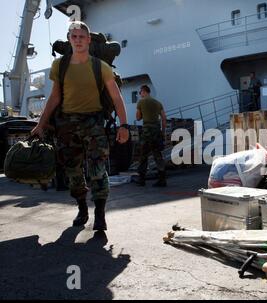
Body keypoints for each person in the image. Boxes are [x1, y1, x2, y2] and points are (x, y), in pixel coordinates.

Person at [31, 21, 129, 231]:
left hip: (93, 122)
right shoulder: (60, 65)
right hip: (67, 124)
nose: (77, 40)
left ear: (88, 40)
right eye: (73, 37)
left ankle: (100, 215)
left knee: (97, 169)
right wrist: (41, 124)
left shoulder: (99, 66)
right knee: (72, 171)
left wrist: (124, 125)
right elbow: (55, 97)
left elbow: (117, 97)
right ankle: (83, 208)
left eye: (81, 37)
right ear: (69, 39)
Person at [133, 85, 167, 187]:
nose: (140, 94)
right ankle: (162, 179)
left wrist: (143, 113)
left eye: (140, 93)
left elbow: (138, 118)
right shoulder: (158, 103)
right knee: (157, 155)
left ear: (144, 91)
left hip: (147, 132)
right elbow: (164, 119)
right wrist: (163, 132)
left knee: (143, 155)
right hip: (156, 131)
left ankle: (141, 179)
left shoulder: (141, 102)